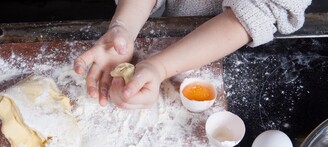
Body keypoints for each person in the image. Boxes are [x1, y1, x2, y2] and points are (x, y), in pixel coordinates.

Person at [74, 0, 311, 109]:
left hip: (235, 48)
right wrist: (124, 28)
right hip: (171, 28)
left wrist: (160, 67)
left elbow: (258, 9)